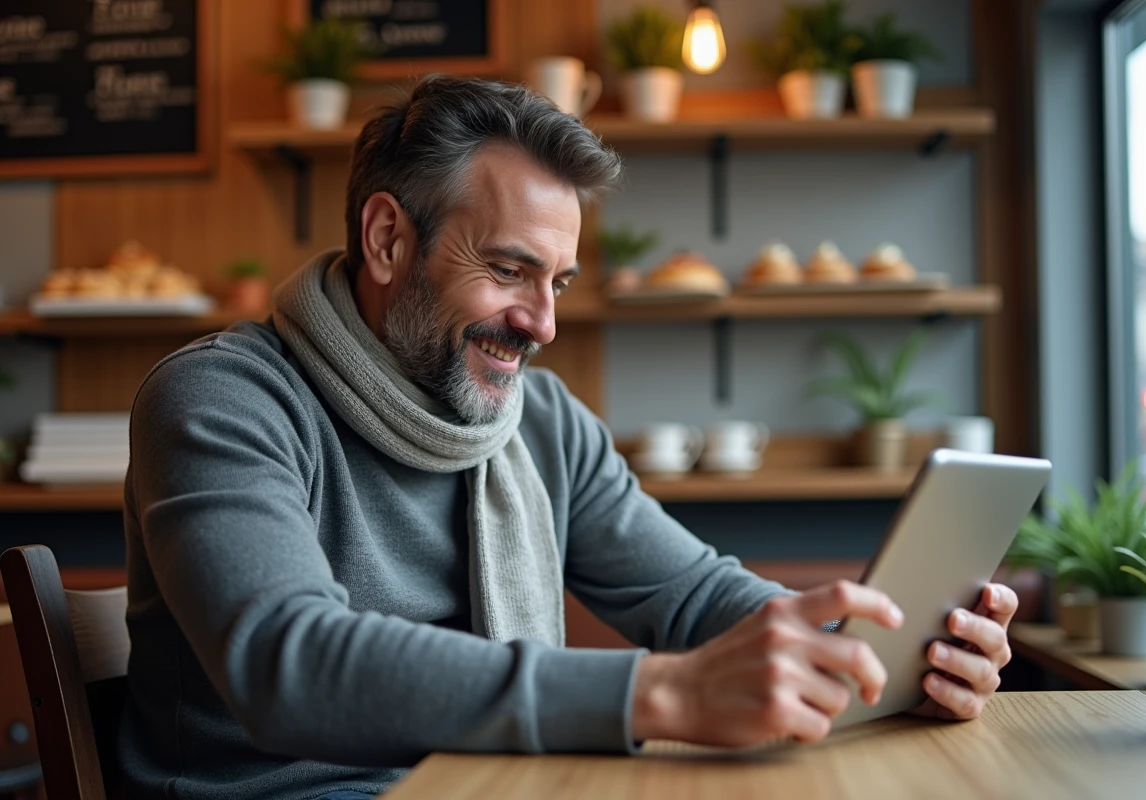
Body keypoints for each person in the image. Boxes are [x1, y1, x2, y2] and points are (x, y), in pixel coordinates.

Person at [120, 76, 1017, 800]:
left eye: (559, 280)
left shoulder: (540, 424)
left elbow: (694, 594)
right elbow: (289, 663)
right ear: (389, 238)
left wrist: (876, 654)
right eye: (509, 270)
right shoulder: (223, 399)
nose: (543, 324)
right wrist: (661, 692)